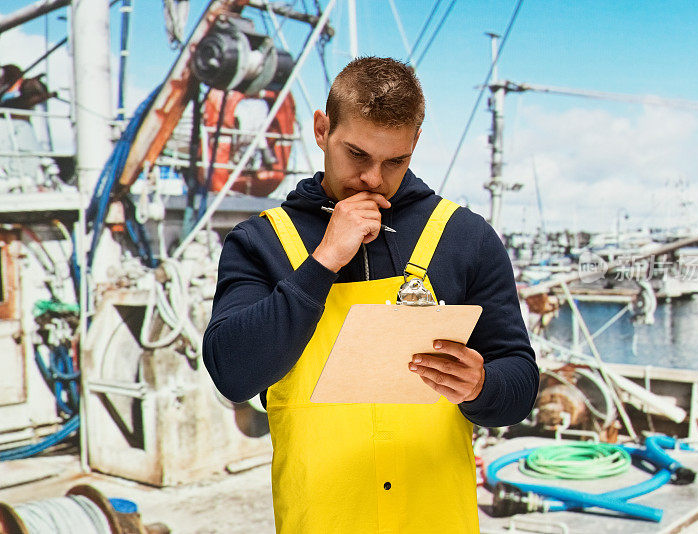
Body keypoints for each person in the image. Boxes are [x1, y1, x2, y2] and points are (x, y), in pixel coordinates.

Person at [203, 56, 538, 534]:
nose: (374, 179)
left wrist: (483, 386)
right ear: (322, 130)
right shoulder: (260, 241)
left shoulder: (466, 237)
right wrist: (322, 263)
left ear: (414, 144)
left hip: (437, 520)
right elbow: (232, 374)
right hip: (321, 522)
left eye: (395, 160)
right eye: (357, 155)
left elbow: (520, 381)